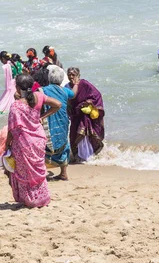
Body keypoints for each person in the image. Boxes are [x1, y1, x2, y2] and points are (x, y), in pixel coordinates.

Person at [4, 74, 61, 207]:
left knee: (25, 173)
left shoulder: (16, 106)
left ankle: (30, 200)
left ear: (18, 88)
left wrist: (7, 146)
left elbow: (12, 131)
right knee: (38, 171)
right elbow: (57, 104)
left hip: (24, 143)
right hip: (39, 140)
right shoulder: (39, 96)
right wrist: (42, 117)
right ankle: (42, 198)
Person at [37, 66, 74, 180]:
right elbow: (73, 95)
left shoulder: (43, 90)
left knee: (44, 143)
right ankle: (63, 173)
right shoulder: (65, 91)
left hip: (48, 120)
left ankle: (41, 172)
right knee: (64, 143)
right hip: (63, 120)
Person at [66, 67, 105, 161]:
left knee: (86, 136)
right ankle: (79, 156)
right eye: (69, 74)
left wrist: (89, 102)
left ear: (78, 76)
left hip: (85, 116)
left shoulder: (84, 84)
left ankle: (89, 156)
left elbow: (97, 95)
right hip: (76, 116)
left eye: (73, 75)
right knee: (75, 135)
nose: (71, 76)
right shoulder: (67, 86)